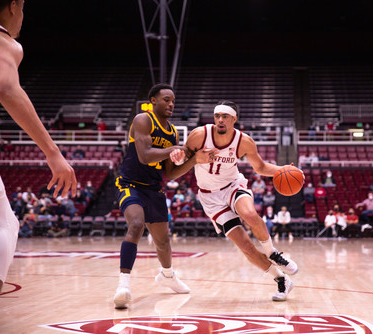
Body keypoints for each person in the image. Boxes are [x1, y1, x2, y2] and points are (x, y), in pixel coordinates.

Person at [0, 2, 77, 332]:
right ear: (14, 5)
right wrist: (53, 153)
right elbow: (7, 88)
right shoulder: (0, 39)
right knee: (2, 222)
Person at [172, 100, 298, 301]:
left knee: (249, 213)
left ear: (234, 119)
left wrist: (283, 170)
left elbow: (261, 167)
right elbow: (184, 157)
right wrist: (178, 156)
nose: (220, 120)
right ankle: (282, 280)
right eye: (217, 116)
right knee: (246, 247)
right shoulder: (199, 135)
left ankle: (272, 252)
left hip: (233, 186)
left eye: (225, 117)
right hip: (210, 198)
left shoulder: (244, 141)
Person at [113, 83, 215, 309]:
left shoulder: (172, 132)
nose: (171, 104)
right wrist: (173, 150)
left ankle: (167, 275)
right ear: (153, 101)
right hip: (130, 184)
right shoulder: (143, 120)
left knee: (163, 241)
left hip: (154, 187)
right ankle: (123, 285)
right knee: (136, 225)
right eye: (166, 100)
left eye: (173, 101)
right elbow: (144, 156)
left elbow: (169, 173)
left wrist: (194, 161)